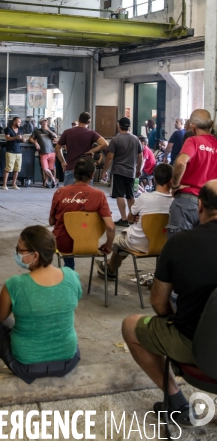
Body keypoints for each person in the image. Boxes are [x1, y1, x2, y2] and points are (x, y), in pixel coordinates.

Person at [122, 180, 217, 426]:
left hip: (194, 346)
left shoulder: (179, 243)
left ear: (199, 206)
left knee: (131, 325)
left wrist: (170, 319)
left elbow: (158, 302)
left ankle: (177, 402)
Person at [0, 225, 82, 384]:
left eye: (20, 251)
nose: (17, 254)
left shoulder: (15, 285)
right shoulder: (72, 277)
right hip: (68, 361)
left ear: (35, 255)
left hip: (27, 365)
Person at [95, 164, 173, 280]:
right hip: (163, 245)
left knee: (119, 241)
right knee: (125, 239)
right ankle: (109, 268)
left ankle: (110, 269)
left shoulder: (144, 198)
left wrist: (137, 217)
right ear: (172, 180)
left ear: (155, 178)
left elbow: (130, 218)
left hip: (139, 243)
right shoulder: (175, 201)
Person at [49, 156, 115, 269]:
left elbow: (51, 221)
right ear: (92, 175)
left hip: (63, 245)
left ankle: (68, 270)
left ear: (74, 172)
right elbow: (110, 227)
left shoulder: (60, 192)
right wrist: (108, 245)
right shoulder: (99, 195)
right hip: (89, 245)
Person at [167, 109, 217, 236]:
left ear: (193, 127)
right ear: (211, 124)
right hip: (209, 206)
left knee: (178, 248)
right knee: (202, 249)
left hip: (187, 202)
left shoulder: (193, 141)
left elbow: (181, 162)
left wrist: (175, 185)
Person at [102, 117, 143, 227]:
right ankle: (133, 218)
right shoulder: (136, 139)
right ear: (129, 126)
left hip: (118, 171)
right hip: (131, 171)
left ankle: (124, 218)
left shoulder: (115, 139)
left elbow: (110, 156)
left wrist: (104, 171)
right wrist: (139, 169)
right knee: (130, 195)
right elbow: (140, 156)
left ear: (119, 125)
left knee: (120, 195)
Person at [55, 112, 108, 186]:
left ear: (78, 120)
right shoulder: (91, 133)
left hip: (71, 167)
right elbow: (105, 143)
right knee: (86, 195)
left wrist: (63, 162)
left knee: (69, 194)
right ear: (89, 122)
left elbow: (57, 148)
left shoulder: (67, 132)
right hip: (87, 168)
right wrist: (92, 150)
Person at [29, 117, 58, 188]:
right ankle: (51, 180)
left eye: (45, 121)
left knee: (52, 168)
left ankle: (49, 182)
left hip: (51, 152)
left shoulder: (50, 130)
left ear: (47, 123)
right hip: (43, 152)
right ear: (40, 123)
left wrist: (48, 130)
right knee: (45, 168)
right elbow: (30, 139)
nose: (44, 123)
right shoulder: (37, 131)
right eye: (42, 122)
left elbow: (55, 136)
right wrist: (36, 143)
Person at [3, 116, 24, 190]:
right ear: (14, 122)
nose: (20, 123)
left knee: (17, 169)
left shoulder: (21, 129)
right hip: (10, 151)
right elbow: (7, 138)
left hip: (18, 151)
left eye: (20, 122)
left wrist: (23, 140)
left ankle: (14, 184)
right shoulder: (8, 129)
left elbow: (21, 138)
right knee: (8, 168)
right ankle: (4, 185)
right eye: (18, 122)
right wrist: (16, 137)